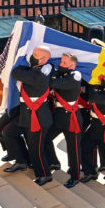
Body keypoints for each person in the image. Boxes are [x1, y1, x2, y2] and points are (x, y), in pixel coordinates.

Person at [11, 46, 54, 186]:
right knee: (10, 133)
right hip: (30, 116)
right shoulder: (41, 68)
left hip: (39, 118)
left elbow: (16, 72)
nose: (32, 56)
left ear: (44, 60)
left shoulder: (39, 74)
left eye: (35, 54)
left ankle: (45, 174)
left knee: (36, 149)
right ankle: (26, 162)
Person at [44, 53, 83, 188]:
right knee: (46, 138)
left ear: (72, 66)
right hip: (59, 115)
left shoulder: (75, 75)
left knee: (73, 149)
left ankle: (75, 176)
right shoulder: (63, 74)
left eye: (64, 63)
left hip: (72, 117)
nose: (61, 64)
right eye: (61, 62)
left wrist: (54, 72)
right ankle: (54, 162)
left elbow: (53, 83)